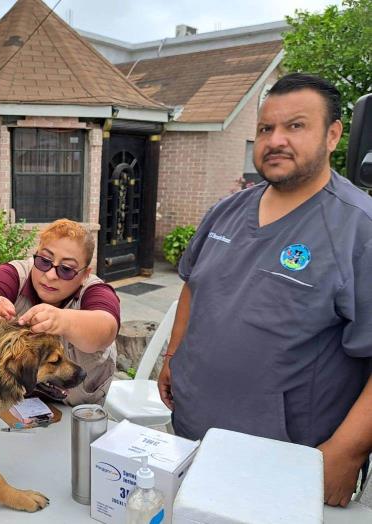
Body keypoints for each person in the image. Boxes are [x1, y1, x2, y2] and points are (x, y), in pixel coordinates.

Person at [158, 73, 372, 507]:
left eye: (295, 126)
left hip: (286, 461)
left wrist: (345, 452)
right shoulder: (227, 211)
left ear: (333, 135)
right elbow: (194, 287)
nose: (275, 140)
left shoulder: (359, 229)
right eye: (264, 129)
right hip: (192, 435)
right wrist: (172, 357)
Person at [0, 219, 120, 405]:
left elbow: (106, 328)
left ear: (85, 274)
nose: (50, 275)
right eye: (45, 261)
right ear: (35, 256)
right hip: (15, 404)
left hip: (76, 409)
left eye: (66, 269)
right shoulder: (16, 274)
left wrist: (63, 321)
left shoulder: (95, 291)